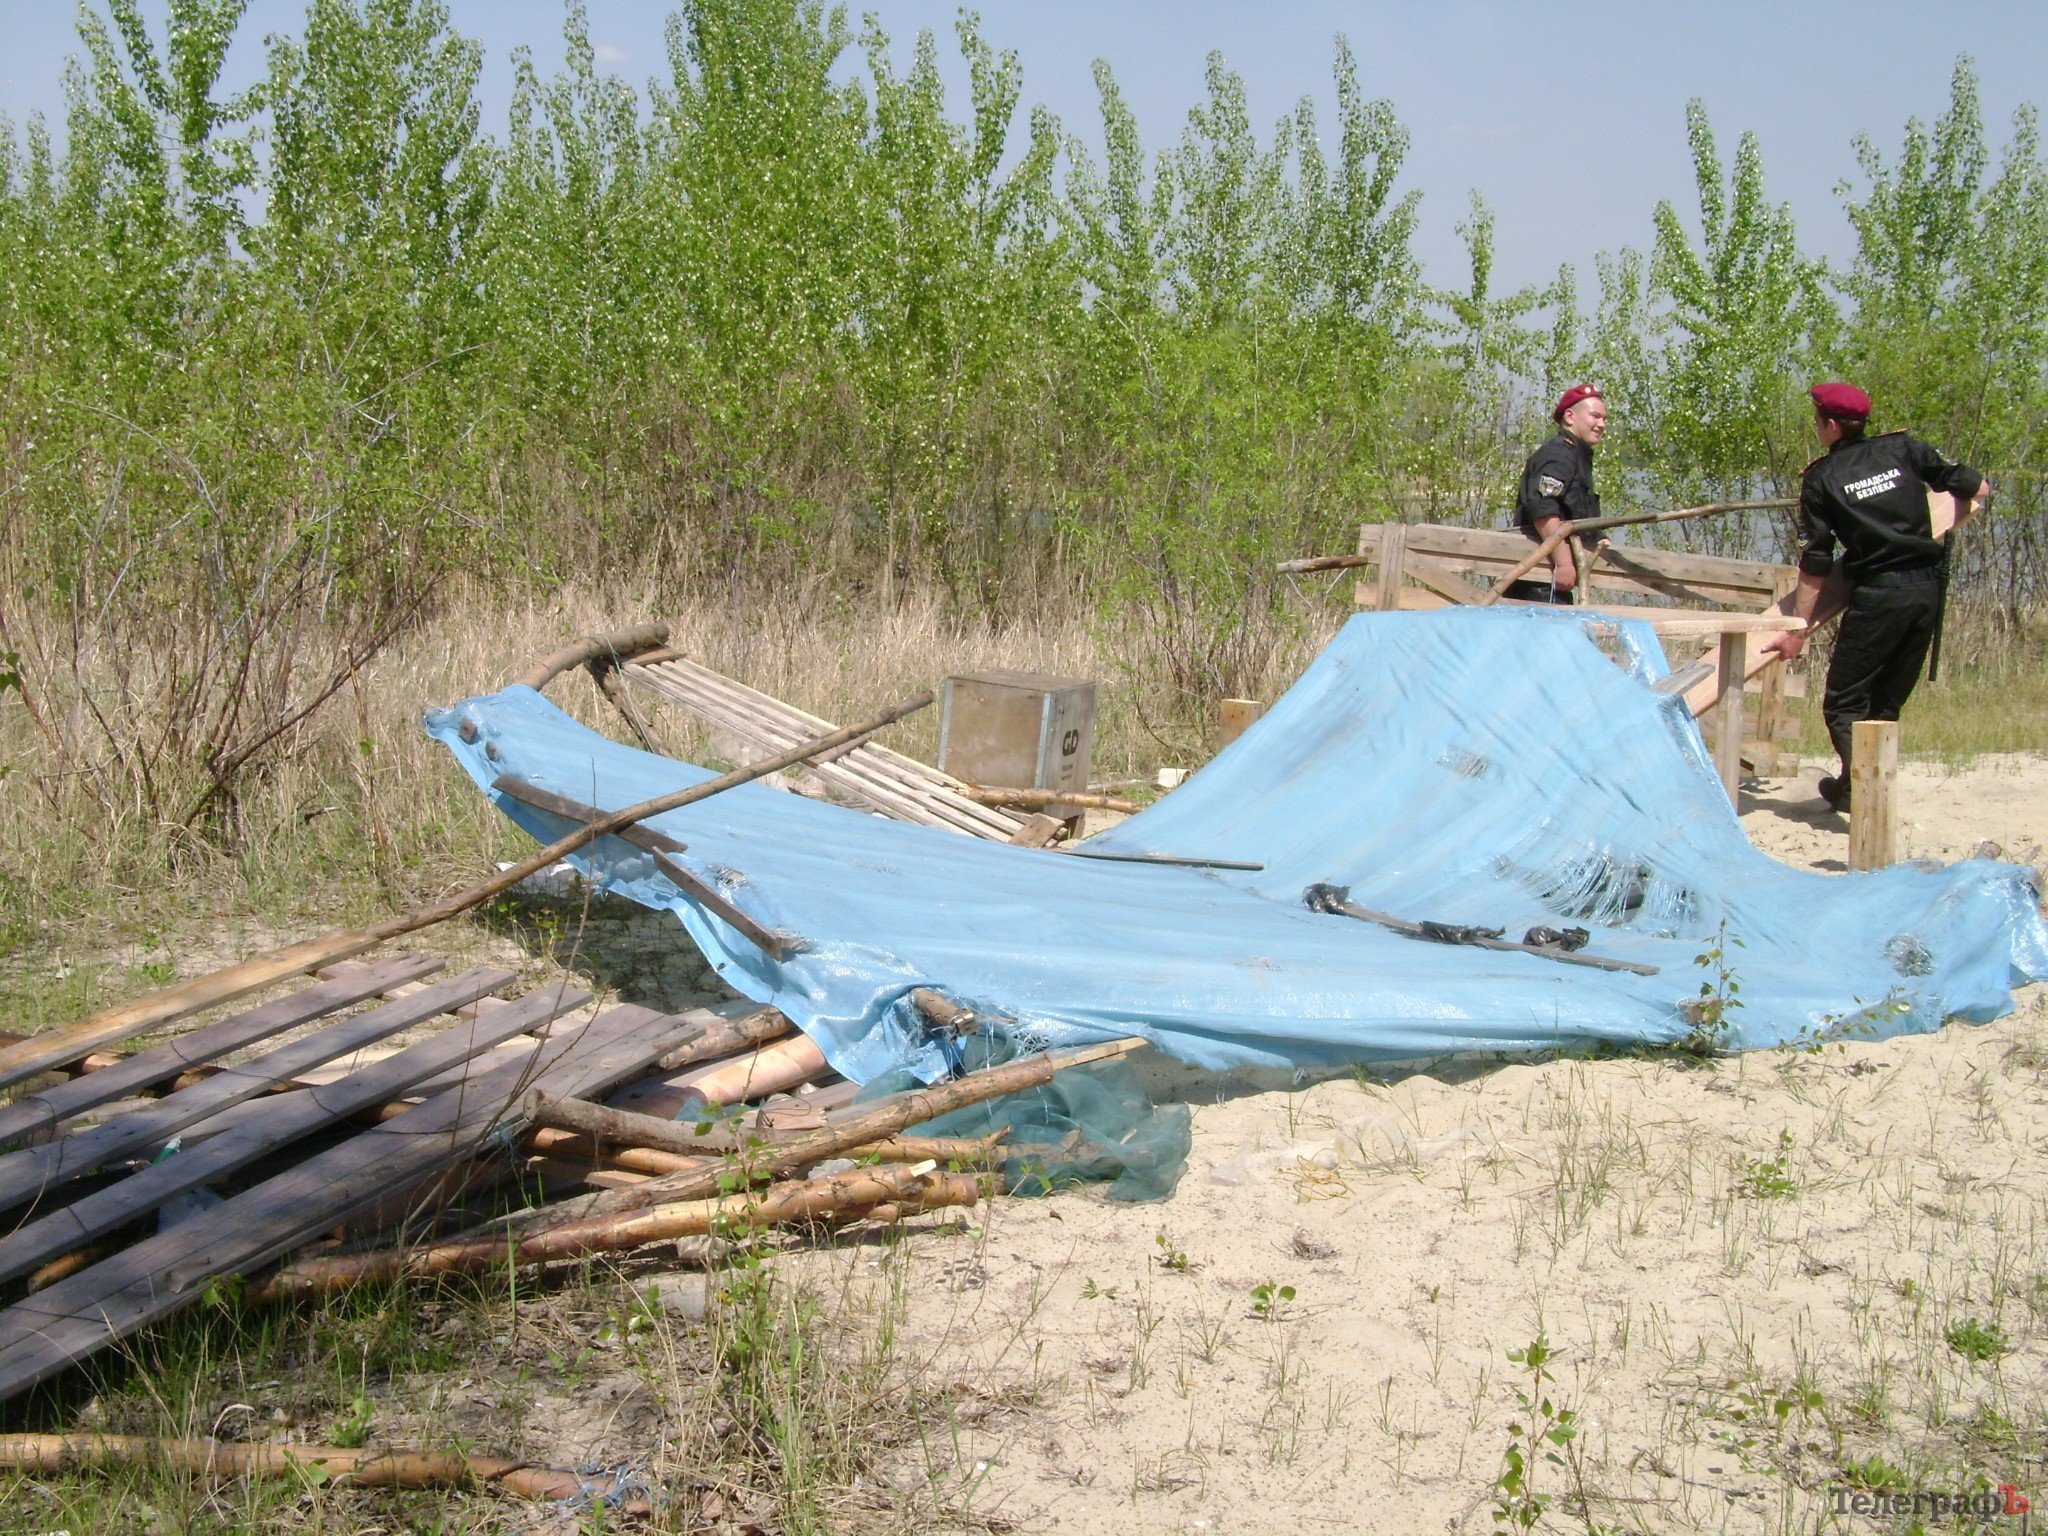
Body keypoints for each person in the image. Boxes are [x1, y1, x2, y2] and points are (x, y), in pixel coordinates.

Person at [1763, 382, 1990, 811]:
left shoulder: (1821, 480)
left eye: (1817, 421)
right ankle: (1853, 787)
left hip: (1879, 595)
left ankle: (1868, 799)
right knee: (1885, 701)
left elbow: (1815, 563)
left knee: (1844, 703)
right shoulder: (1905, 450)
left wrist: (1798, 630)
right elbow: (1977, 488)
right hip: (1926, 590)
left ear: (1829, 425)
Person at [1509, 384, 1608, 603]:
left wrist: (1599, 539)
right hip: (1539, 586)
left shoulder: (1576, 455)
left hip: (1549, 583)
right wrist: (1563, 563)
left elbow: (1575, 513)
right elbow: (1543, 508)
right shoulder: (1559, 454)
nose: (1602, 424)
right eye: (1595, 416)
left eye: (1604, 419)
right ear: (1570, 417)